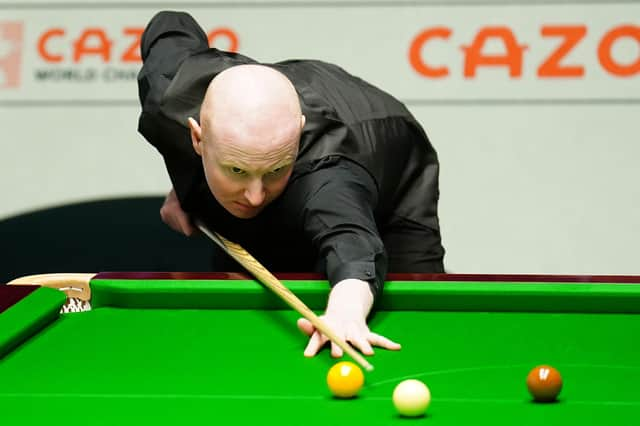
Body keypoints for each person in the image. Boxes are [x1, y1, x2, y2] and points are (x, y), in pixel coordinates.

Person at [137, 11, 445, 358]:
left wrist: (346, 310)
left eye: (275, 170)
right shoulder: (168, 94)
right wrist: (191, 180)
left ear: (297, 135)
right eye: (236, 170)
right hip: (296, 105)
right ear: (196, 137)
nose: (254, 197)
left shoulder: (327, 174)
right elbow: (170, 23)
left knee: (417, 316)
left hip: (389, 156)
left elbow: (353, 244)